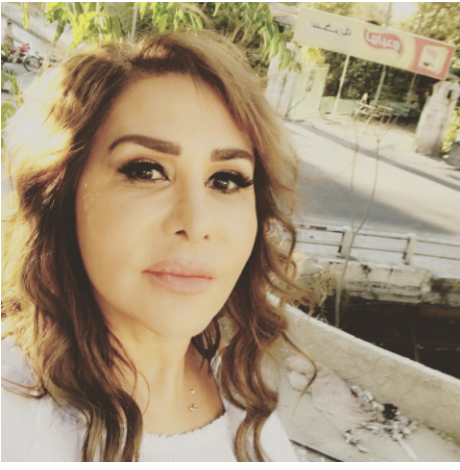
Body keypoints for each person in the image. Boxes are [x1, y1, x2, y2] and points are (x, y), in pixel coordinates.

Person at [1, 30, 315, 462]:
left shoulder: (241, 396)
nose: (197, 223)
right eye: (147, 171)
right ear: (59, 192)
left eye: (226, 180)